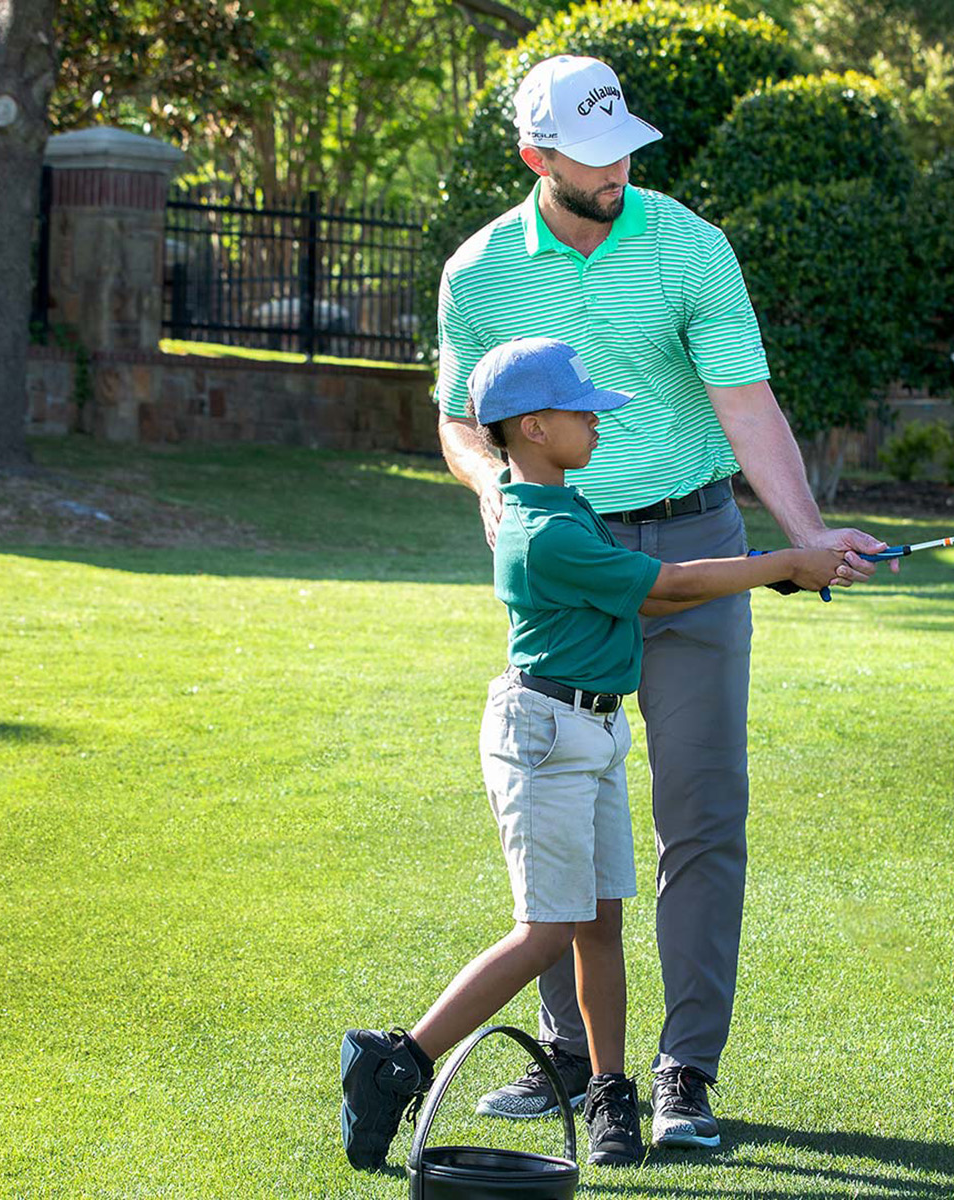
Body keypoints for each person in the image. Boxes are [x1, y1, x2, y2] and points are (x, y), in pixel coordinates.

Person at [432, 55, 897, 1150]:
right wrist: (495, 488)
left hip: (694, 537)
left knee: (702, 811)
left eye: (626, 149)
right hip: (571, 565)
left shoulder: (690, 245)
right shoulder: (479, 271)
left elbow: (746, 401)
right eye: (594, 157)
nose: (618, 171)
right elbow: (457, 415)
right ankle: (574, 1061)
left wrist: (803, 539)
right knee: (562, 808)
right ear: (536, 157)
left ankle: (685, 1069)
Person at [340, 337, 847, 1171]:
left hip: (595, 732)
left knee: (599, 922)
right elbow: (666, 587)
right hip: (544, 737)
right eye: (583, 412)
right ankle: (398, 1060)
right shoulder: (544, 532)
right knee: (547, 931)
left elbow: (657, 584)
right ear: (534, 428)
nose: (598, 422)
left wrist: (776, 570)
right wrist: (783, 562)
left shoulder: (569, 506)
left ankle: (609, 1093)